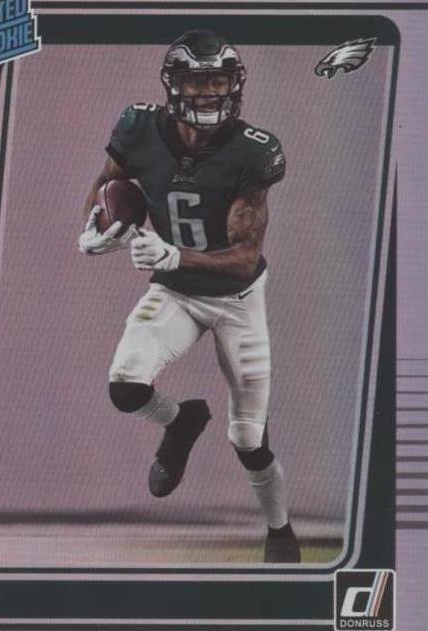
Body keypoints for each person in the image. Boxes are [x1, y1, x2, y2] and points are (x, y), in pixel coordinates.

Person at [78, 30, 300, 563]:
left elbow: (244, 257)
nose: (208, 92)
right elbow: (107, 186)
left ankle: (280, 531)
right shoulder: (137, 127)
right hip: (176, 291)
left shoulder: (253, 150)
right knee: (126, 385)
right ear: (173, 84)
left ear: (234, 84)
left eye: (218, 81)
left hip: (237, 298)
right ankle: (180, 422)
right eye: (197, 82)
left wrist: (172, 255)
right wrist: (94, 228)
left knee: (248, 440)